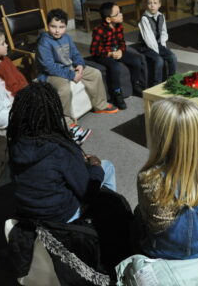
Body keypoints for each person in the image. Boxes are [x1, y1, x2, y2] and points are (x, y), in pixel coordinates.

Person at [7, 82, 117, 223]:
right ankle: (106, 216)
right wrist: (95, 166)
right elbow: (87, 193)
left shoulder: (15, 143)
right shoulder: (60, 149)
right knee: (106, 167)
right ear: (54, 112)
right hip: (62, 216)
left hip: (29, 215)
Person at [136, 97, 198, 260]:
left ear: (159, 137)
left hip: (164, 252)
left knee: (138, 212)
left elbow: (148, 218)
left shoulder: (148, 178)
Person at [36, 8, 118, 139]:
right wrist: (71, 75)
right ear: (48, 26)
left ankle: (100, 105)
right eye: (53, 26)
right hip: (51, 74)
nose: (57, 30)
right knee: (63, 88)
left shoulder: (67, 37)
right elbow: (49, 66)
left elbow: (75, 54)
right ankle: (67, 123)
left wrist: (80, 64)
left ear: (66, 26)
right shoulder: (44, 42)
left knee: (95, 73)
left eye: (61, 27)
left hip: (69, 68)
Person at [90, 2, 144, 109]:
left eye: (120, 11)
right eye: (117, 13)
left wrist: (120, 50)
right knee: (115, 67)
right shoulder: (99, 30)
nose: (121, 14)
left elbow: (122, 42)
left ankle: (135, 85)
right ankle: (117, 93)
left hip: (116, 52)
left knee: (136, 60)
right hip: (103, 55)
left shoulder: (119, 26)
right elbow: (94, 49)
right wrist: (109, 53)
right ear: (108, 19)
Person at [137, 0, 177, 85]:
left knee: (173, 57)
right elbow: (149, 38)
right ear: (146, 5)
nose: (152, 6)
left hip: (158, 44)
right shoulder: (144, 19)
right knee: (159, 60)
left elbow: (164, 33)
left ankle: (172, 80)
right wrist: (158, 52)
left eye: (155, 3)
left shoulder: (161, 16)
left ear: (159, 4)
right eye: (149, 3)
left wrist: (163, 47)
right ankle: (157, 84)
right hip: (146, 46)